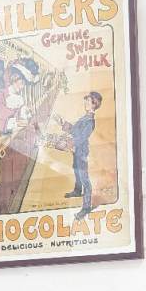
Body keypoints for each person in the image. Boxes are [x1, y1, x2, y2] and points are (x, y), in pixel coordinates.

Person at [55, 91, 102, 220]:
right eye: (86, 100)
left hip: (81, 151)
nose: (86, 103)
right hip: (76, 150)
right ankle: (77, 190)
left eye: (89, 101)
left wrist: (67, 143)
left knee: (84, 177)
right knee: (76, 170)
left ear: (94, 105)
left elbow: (81, 137)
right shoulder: (84, 117)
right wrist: (62, 123)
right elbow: (74, 130)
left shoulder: (90, 121)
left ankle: (86, 207)